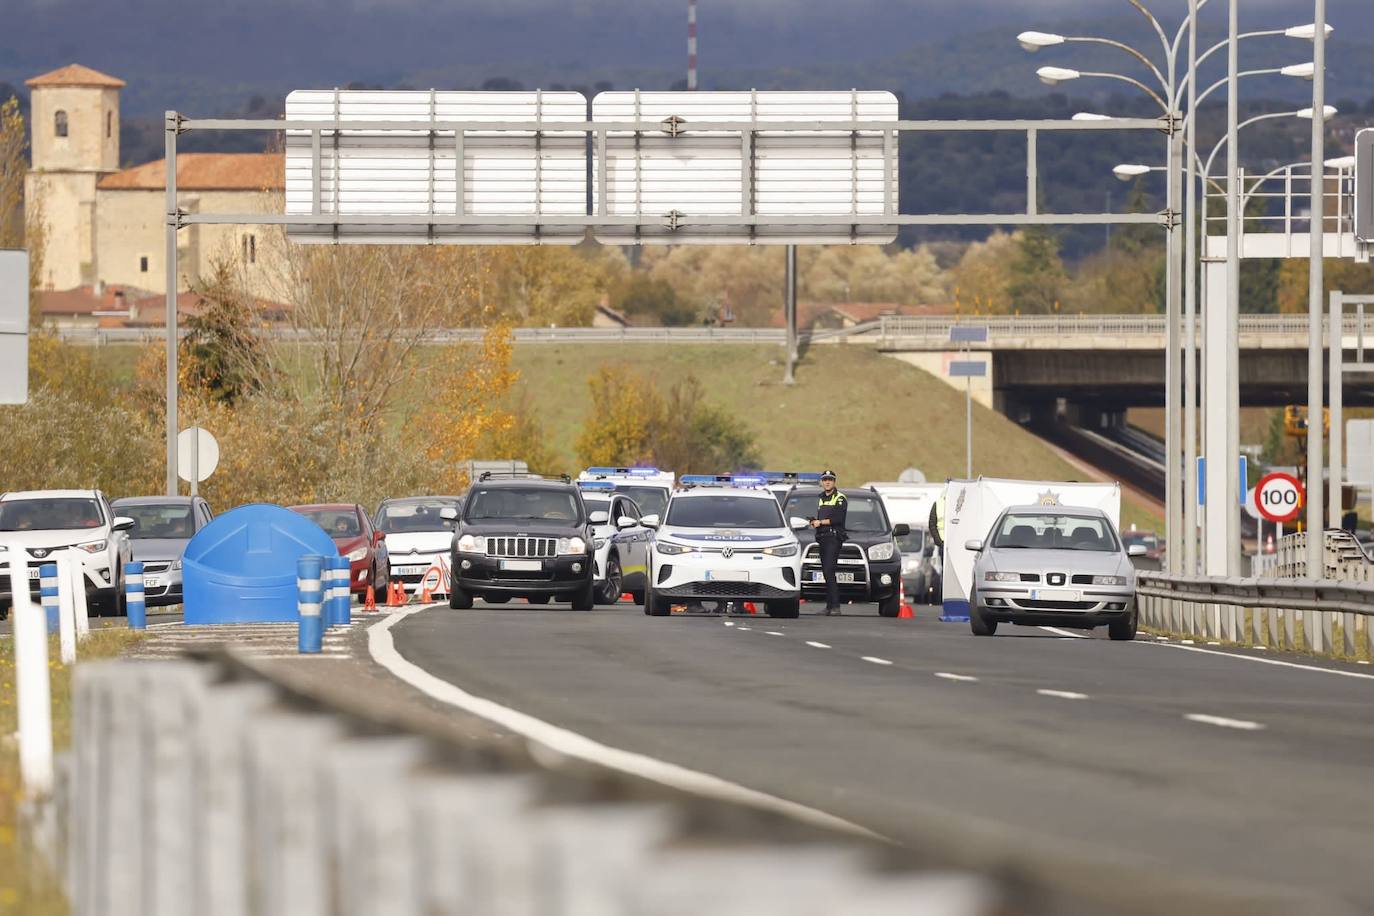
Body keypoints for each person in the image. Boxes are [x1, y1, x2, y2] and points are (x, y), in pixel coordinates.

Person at [810, 470, 848, 616]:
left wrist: (820, 522)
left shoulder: (840, 498)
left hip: (833, 538)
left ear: (834, 482)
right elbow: (822, 517)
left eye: (830, 480)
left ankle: (836, 607)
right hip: (823, 538)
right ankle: (829, 606)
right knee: (826, 572)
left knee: (829, 571)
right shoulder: (821, 498)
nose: (827, 482)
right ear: (821, 482)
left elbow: (837, 518)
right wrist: (814, 522)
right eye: (825, 479)